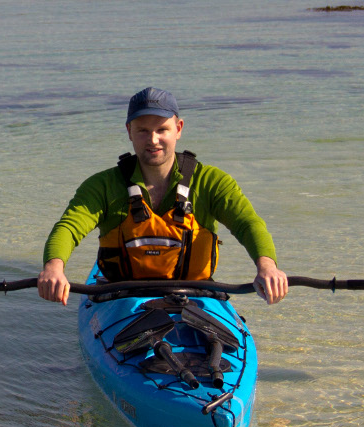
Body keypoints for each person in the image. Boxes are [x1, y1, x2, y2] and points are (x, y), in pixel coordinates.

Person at [38, 87, 288, 306]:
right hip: (121, 296)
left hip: (196, 296)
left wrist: (266, 266)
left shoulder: (212, 182)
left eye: (162, 129)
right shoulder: (102, 185)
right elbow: (69, 229)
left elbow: (247, 224)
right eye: (143, 130)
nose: (153, 140)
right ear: (129, 131)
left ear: (178, 129)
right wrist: (54, 268)